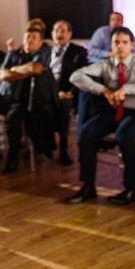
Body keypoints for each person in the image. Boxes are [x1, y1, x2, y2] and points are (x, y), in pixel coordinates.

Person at [67, 27, 135, 206]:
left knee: (124, 135)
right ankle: (88, 187)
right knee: (87, 132)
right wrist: (102, 90)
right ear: (111, 45)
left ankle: (132, 189)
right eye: (116, 42)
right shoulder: (106, 64)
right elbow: (75, 76)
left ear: (132, 45)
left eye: (124, 42)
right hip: (114, 111)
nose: (120, 46)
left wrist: (127, 89)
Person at [0, 19, 58, 173]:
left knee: (14, 118)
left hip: (22, 101)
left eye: (33, 38)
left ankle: (12, 158)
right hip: (5, 97)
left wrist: (14, 71)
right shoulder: (14, 53)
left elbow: (36, 68)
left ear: (40, 42)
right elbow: (3, 74)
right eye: (27, 37)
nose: (29, 41)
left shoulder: (40, 54)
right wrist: (23, 71)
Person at [50, 20, 89, 165]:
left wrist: (70, 92)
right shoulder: (46, 51)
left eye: (62, 31)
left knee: (62, 106)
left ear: (69, 34)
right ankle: (41, 144)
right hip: (48, 91)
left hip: (67, 92)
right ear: (52, 34)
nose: (59, 34)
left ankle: (63, 147)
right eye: (56, 31)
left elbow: (83, 74)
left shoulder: (78, 51)